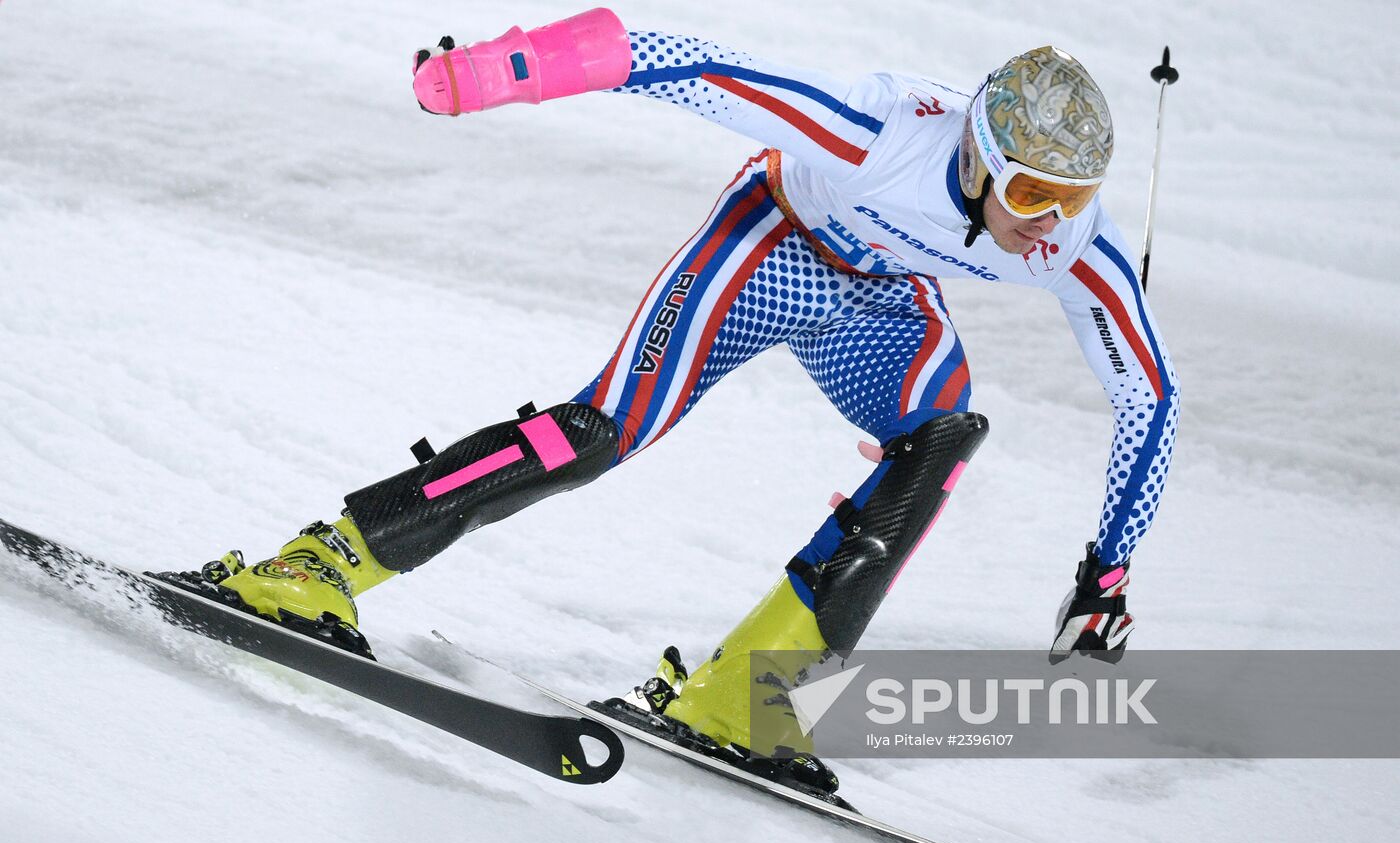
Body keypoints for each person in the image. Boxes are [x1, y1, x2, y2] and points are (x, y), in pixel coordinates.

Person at [190, 8, 1178, 775]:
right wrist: (496, 70)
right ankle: (317, 562)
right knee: (602, 429)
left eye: (1073, 197)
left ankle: (748, 696)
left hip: (878, 301)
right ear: (977, 159)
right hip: (771, 242)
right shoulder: (878, 132)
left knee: (942, 434)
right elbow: (685, 64)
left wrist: (1107, 577)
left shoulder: (1069, 245)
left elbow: (1149, 395)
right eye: (1031, 193)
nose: (1048, 222)